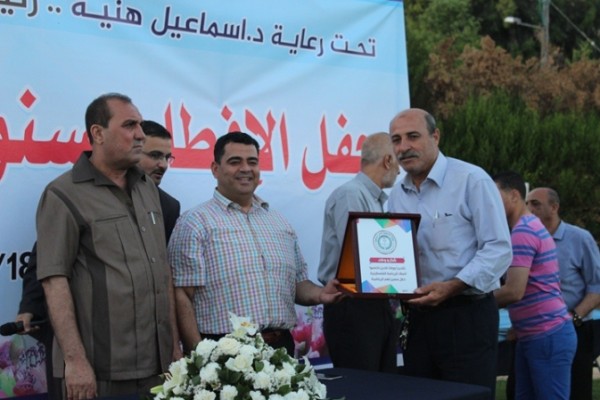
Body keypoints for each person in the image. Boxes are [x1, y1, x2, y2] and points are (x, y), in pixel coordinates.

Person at [15, 118, 181, 399]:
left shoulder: (166, 204)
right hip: (87, 336)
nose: (162, 164)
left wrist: (172, 345)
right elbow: (48, 257)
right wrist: (30, 304)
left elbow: (161, 271)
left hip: (145, 351)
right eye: (154, 155)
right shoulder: (73, 192)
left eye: (167, 157)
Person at [168, 131, 342, 355]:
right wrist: (199, 356)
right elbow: (182, 294)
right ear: (215, 169)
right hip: (223, 352)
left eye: (252, 162)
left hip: (281, 349)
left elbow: (298, 285)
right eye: (235, 162)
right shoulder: (195, 222)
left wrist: (320, 294)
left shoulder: (278, 222)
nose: (245, 169)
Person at [387, 108, 512, 393]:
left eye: (413, 136)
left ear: (435, 136)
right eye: (396, 140)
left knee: (467, 396)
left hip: (466, 315)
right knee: (421, 395)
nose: (403, 147)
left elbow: (498, 248)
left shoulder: (472, 180)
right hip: (418, 318)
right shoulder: (397, 194)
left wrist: (453, 285)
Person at [317, 132, 400, 372]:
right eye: (398, 161)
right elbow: (359, 255)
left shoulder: (374, 198)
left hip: (375, 304)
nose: (400, 171)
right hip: (352, 305)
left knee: (383, 382)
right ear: (388, 161)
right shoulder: (351, 194)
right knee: (362, 384)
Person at [493, 172, 577, 399]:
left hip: (546, 335)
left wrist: (473, 302)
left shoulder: (523, 232)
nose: (490, 202)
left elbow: (514, 291)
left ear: (514, 195)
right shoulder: (528, 226)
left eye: (495, 195)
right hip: (534, 335)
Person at [526, 187, 600, 400]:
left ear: (554, 207)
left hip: (574, 330)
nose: (530, 209)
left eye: (536, 204)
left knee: (575, 391)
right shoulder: (524, 239)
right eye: (527, 204)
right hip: (533, 331)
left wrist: (572, 318)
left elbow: (597, 286)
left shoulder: (580, 238)